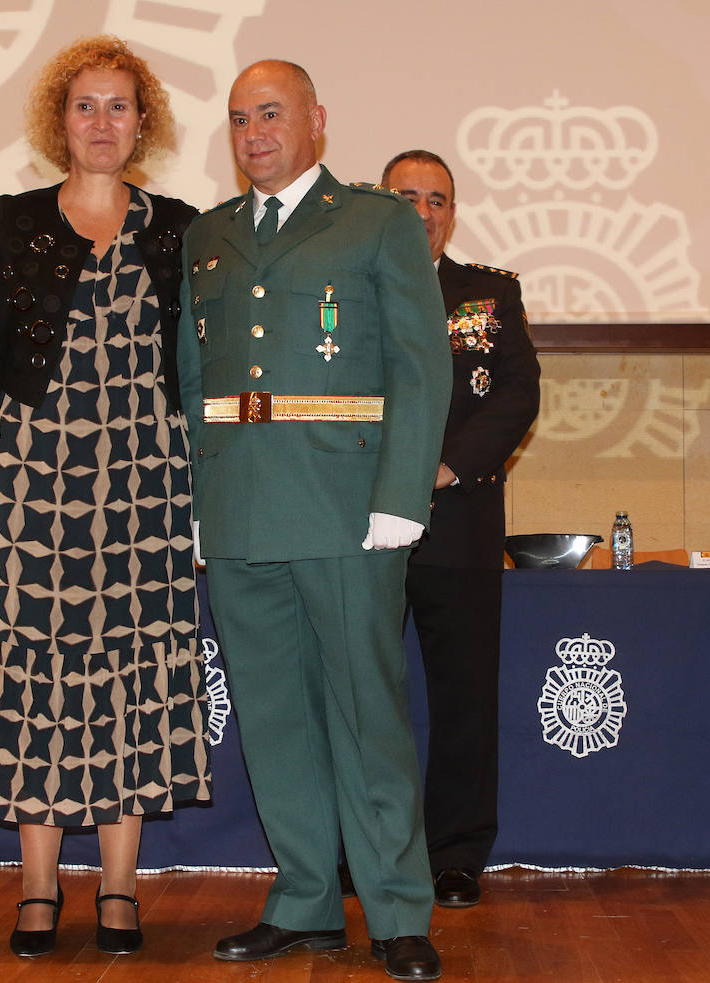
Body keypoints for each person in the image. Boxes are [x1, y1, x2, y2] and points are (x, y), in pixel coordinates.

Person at [0, 35, 211, 958]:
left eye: (120, 106)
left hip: (147, 485)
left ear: (145, 121)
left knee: (131, 672)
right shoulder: (11, 223)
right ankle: (40, 887)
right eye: (85, 105)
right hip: (31, 482)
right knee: (35, 678)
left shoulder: (180, 227)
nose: (102, 122)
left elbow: (205, 373)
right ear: (61, 120)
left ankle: (122, 889)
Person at [178, 61, 451, 981]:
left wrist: (400, 498)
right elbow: (194, 382)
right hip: (242, 505)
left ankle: (398, 909)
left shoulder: (376, 221)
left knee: (366, 712)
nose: (254, 132)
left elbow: (421, 365)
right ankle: (304, 902)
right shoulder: (208, 237)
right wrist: (199, 505)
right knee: (273, 715)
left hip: (345, 507)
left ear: (316, 121)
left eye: (271, 114)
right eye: (240, 119)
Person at [380, 149, 540, 908]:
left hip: (459, 519)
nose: (423, 210)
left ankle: (456, 854)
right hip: (363, 524)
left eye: (437, 198)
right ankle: (370, 845)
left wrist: (444, 468)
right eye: (405, 196)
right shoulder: (344, 285)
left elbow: (517, 393)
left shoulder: (489, 294)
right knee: (363, 695)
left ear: (453, 211)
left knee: (465, 699)